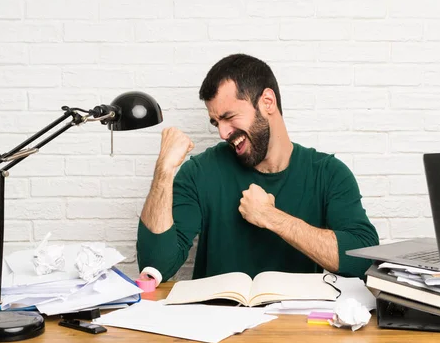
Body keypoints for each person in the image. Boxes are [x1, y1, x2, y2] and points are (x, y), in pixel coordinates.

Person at [137, 54, 379, 281]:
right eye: (216, 122)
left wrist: (271, 217)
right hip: (216, 321)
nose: (222, 133)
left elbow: (362, 258)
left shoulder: (328, 173)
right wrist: (164, 172)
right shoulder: (200, 172)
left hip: (297, 324)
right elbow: (155, 266)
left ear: (267, 102)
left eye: (229, 117)